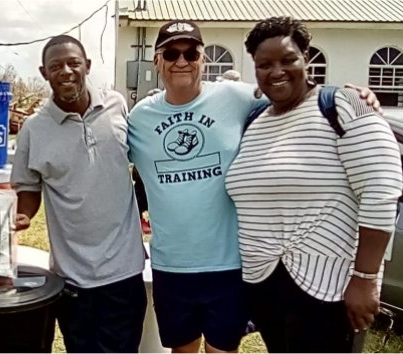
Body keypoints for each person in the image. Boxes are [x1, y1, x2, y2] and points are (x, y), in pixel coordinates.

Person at [127, 20, 380, 353]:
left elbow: (290, 89)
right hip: (170, 265)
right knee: (181, 350)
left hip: (229, 264)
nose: (182, 61)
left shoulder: (238, 96)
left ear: (203, 58)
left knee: (222, 350)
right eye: (171, 53)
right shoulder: (139, 117)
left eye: (191, 52)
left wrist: (348, 95)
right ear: (157, 61)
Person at [225, 16, 402, 353]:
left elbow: (381, 190)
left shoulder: (343, 106)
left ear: (307, 58)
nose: (276, 71)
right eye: (264, 64)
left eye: (288, 59)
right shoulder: (254, 121)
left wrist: (365, 279)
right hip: (264, 282)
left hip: (328, 286)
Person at [11, 35, 147, 352]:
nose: (66, 71)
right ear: (44, 73)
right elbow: (28, 189)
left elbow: (142, 163)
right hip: (72, 279)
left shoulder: (117, 106)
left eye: (73, 63)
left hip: (124, 271)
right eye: (56, 66)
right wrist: (21, 214)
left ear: (87, 66)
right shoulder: (33, 128)